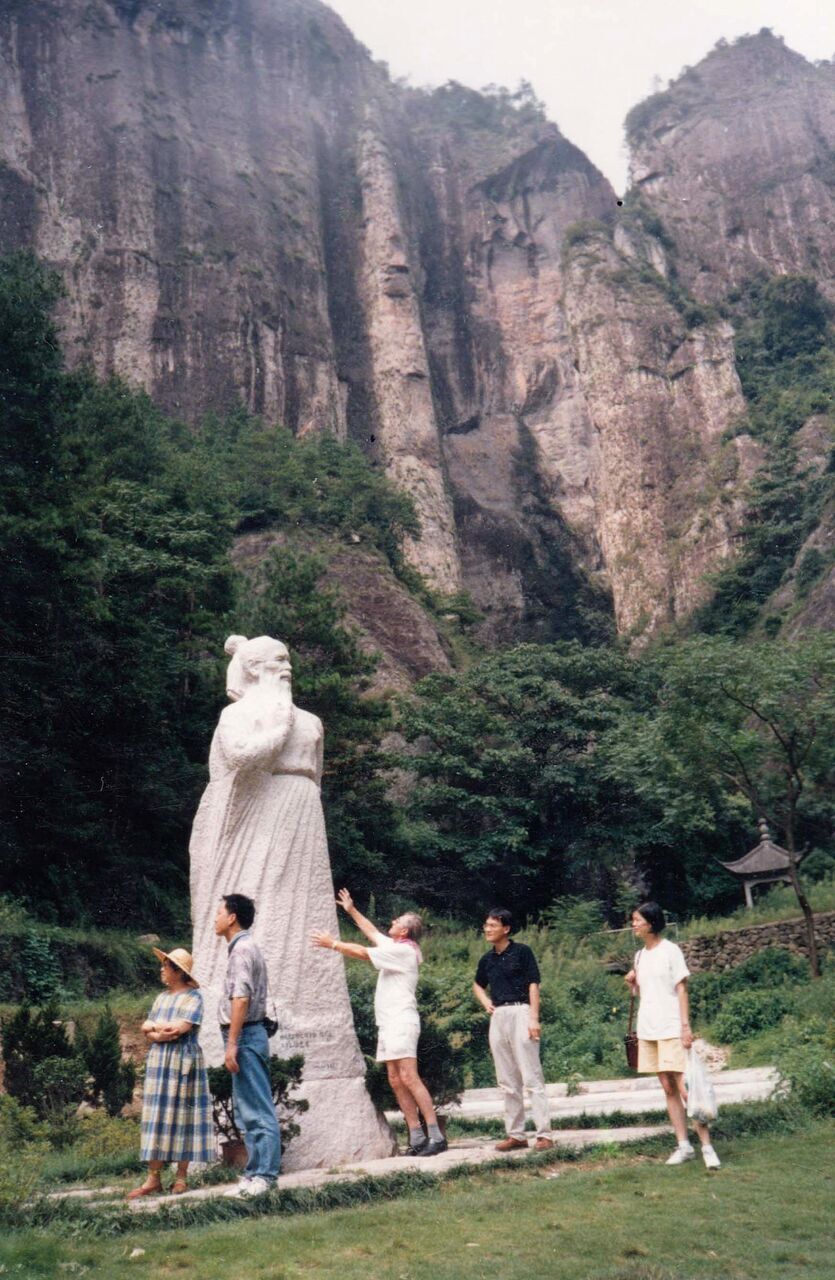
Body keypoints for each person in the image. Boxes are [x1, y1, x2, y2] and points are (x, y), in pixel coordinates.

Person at [311, 889, 448, 1157]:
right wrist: (350, 909)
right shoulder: (395, 946)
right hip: (388, 1023)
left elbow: (363, 952)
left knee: (409, 1076)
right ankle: (417, 1137)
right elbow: (371, 933)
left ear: (405, 933)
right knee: (396, 1079)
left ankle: (436, 1135)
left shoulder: (405, 952)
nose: (392, 923)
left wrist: (334, 944)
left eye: (397, 922)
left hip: (402, 1021)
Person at [625, 901, 721, 1169]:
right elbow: (646, 994)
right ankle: (684, 1145)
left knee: (685, 1088)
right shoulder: (639, 956)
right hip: (648, 1028)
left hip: (671, 1026)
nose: (633, 924)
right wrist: (632, 983)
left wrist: (685, 1026)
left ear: (651, 923)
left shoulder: (671, 951)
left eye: (637, 920)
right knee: (667, 1088)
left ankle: (707, 1147)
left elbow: (681, 990)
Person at [127, 946, 214, 1199]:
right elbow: (147, 1028)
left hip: (183, 1062)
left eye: (165, 966)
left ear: (178, 971)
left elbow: (179, 1029)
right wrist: (155, 1029)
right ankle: (153, 1178)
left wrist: (156, 1030)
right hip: (159, 1062)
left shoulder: (193, 997)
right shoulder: (161, 998)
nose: (161, 970)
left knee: (181, 1116)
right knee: (156, 1116)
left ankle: (181, 1177)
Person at [216, 893, 283, 1196]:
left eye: (219, 912)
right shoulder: (243, 947)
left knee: (257, 1108)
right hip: (247, 1034)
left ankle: (265, 1177)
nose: (215, 918)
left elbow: (241, 998)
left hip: (245, 1034)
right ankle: (254, 1173)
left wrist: (232, 1044)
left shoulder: (242, 950)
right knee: (248, 1108)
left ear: (232, 917)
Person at [473, 908, 553, 1152]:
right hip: (499, 1016)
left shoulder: (522, 952)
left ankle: (544, 1135)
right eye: (485, 925)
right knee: (507, 1079)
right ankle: (516, 1134)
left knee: (531, 1076)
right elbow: (477, 984)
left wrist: (534, 1018)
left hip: (521, 1012)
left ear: (505, 928)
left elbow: (533, 984)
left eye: (492, 925)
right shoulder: (487, 959)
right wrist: (485, 1001)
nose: (487, 929)